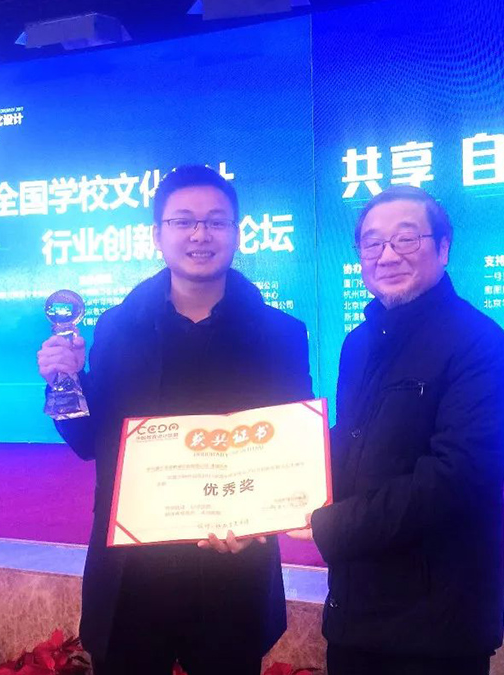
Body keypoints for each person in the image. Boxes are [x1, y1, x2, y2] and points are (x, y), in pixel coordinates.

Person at [37, 165, 312, 675]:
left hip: (233, 570)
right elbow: (90, 442)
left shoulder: (281, 335)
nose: (200, 234)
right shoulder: (118, 328)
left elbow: (291, 453)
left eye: (216, 221)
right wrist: (63, 382)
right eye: (183, 221)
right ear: (157, 234)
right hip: (132, 572)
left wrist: (260, 520)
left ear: (236, 232)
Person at [288, 186, 504, 674]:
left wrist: (332, 525)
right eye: (372, 243)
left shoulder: (482, 346)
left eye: (406, 238)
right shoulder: (359, 344)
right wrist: (280, 488)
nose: (388, 255)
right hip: (355, 611)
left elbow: (456, 476)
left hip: (436, 626)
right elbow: (352, 441)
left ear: (443, 247)